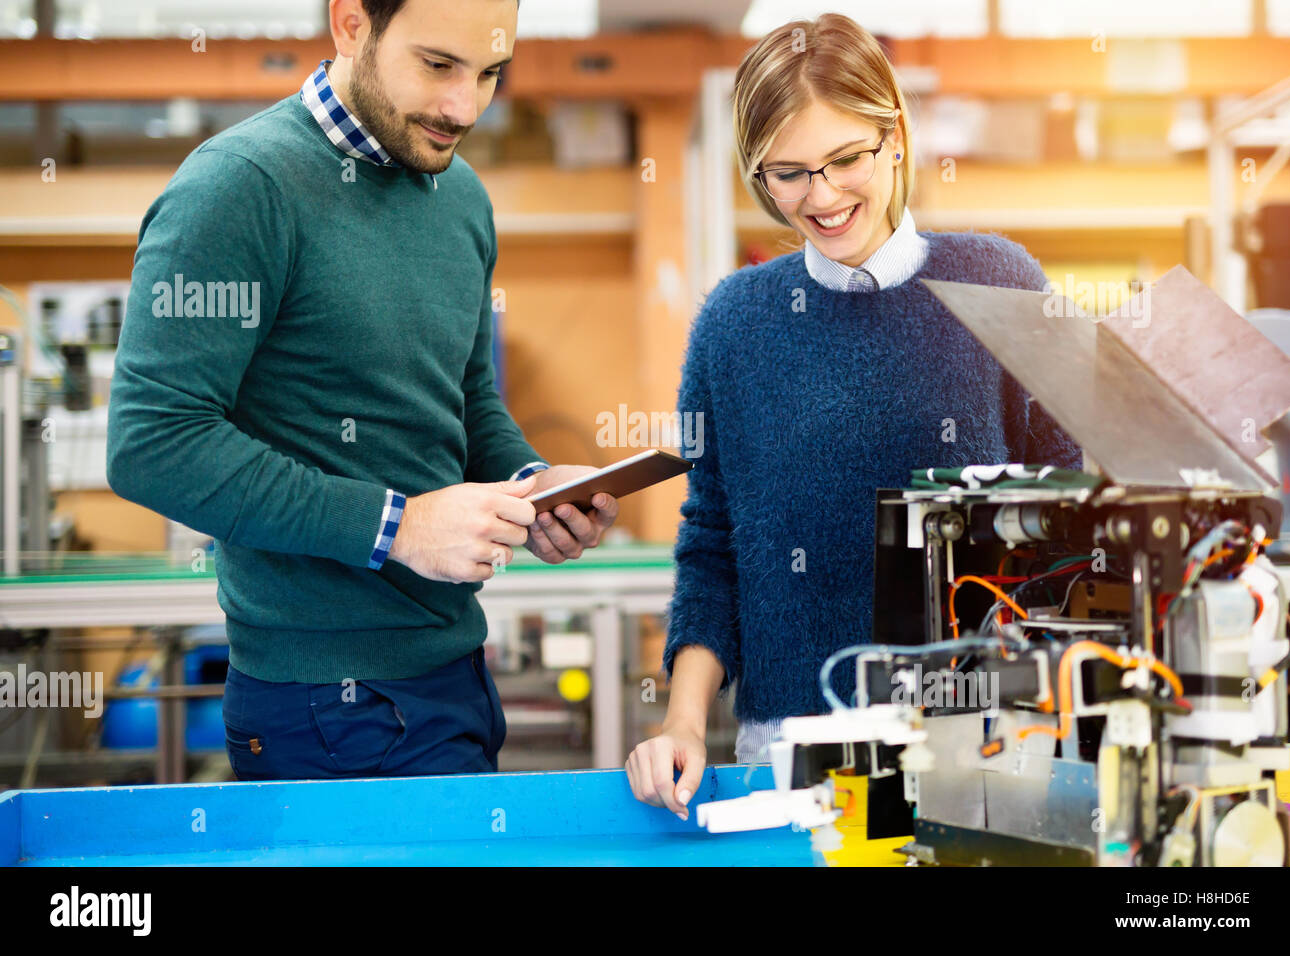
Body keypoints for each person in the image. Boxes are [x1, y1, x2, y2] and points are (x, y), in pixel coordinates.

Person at [107, 0, 618, 780]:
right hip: (321, 705)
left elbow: (465, 392)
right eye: (438, 65)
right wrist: (399, 528)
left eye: (489, 73)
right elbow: (153, 445)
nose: (464, 107)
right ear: (351, 24)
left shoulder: (462, 197)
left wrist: (533, 483)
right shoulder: (237, 188)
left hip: (457, 671)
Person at [625, 13, 1081, 820]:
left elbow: (1082, 506)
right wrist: (683, 722)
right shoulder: (735, 323)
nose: (824, 197)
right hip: (793, 754)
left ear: (895, 136)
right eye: (788, 173)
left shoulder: (997, 283)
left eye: (845, 160)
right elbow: (711, 548)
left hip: (986, 743)